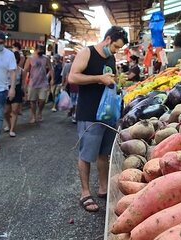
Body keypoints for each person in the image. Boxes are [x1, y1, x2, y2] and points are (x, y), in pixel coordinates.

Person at [69, 26, 128, 212]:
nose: (116, 51)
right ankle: (85, 193)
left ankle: (103, 188)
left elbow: (111, 79)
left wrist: (117, 83)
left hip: (108, 114)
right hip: (89, 113)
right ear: (108, 39)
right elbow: (73, 77)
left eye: (118, 49)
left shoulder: (111, 57)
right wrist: (98, 78)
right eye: (116, 47)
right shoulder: (87, 52)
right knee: (86, 155)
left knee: (104, 154)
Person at [24, 44, 54, 123]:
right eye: (39, 49)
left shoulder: (46, 58)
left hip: (43, 82)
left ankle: (39, 112)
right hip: (33, 83)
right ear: (35, 49)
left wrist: (52, 79)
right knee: (32, 100)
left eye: (42, 49)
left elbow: (51, 68)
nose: (40, 51)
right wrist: (24, 81)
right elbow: (26, 70)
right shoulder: (30, 58)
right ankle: (33, 116)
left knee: (42, 100)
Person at [3, 51, 26, 137]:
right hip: (6, 89)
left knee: (14, 111)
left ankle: (12, 129)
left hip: (17, 90)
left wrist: (25, 94)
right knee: (5, 111)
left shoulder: (21, 70)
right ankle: (8, 124)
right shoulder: (6, 69)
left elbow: (23, 83)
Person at [61, 55, 78, 122]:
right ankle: (74, 114)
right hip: (76, 86)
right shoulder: (78, 66)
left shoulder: (67, 65)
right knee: (76, 102)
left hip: (71, 85)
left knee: (73, 101)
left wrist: (63, 85)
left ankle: (73, 113)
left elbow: (64, 76)